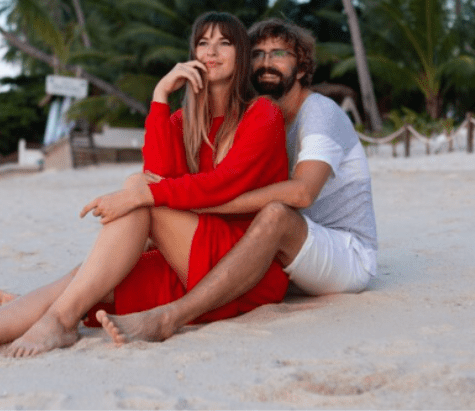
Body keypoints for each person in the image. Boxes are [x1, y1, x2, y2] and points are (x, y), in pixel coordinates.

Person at [0, 12, 289, 361]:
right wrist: (159, 95)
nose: (211, 51)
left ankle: (60, 323)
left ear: (241, 54)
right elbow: (160, 175)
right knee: (89, 279)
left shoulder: (263, 114)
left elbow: (220, 186)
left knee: (137, 196)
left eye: (224, 42)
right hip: (186, 258)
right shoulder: (181, 123)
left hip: (241, 267)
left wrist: (139, 193)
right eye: (203, 42)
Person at [95, 18, 378, 345]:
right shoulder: (263, 116)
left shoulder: (319, 112)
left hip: (345, 253)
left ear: (301, 68)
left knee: (274, 214)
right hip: (287, 254)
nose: (266, 63)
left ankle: (173, 316)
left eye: (279, 54)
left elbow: (301, 193)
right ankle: (57, 305)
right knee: (143, 229)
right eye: (257, 54)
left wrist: (200, 203)